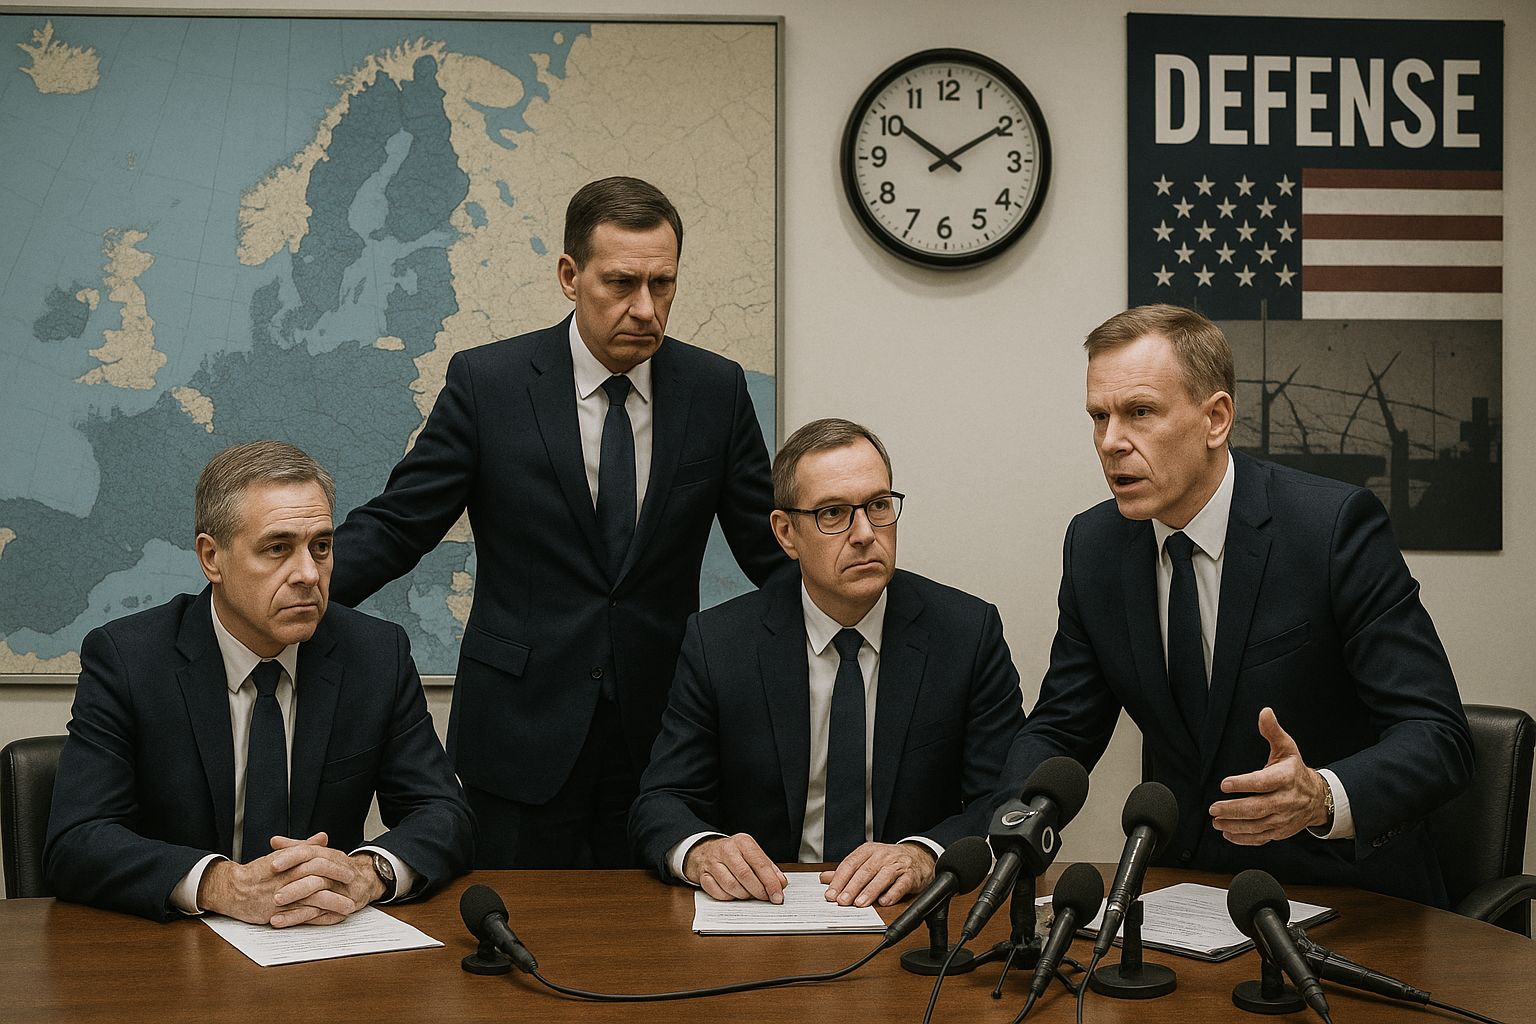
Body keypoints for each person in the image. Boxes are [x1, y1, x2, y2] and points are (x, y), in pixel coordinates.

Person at [329, 176, 790, 870]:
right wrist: (288, 593)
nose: (646, 308)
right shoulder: (489, 384)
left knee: (655, 928)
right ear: (570, 276)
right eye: (621, 283)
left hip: (665, 739)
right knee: (514, 924)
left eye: (662, 284)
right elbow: (399, 525)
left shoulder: (715, 390)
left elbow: (771, 547)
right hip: (518, 733)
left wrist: (863, 623)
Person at [999, 304, 1473, 906]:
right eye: (1099, 416)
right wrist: (1011, 830)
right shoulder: (1095, 546)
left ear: (1215, 419)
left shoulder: (1330, 529)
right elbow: (1063, 726)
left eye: (1139, 412)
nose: (1111, 442)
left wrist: (1321, 796)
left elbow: (1438, 737)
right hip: (1182, 896)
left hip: (1346, 894)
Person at [44, 442, 474, 924]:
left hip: (326, 941)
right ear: (212, 558)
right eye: (277, 548)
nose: (308, 574)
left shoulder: (375, 655)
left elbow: (445, 814)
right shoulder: (129, 660)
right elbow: (76, 841)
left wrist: (368, 872)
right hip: (178, 948)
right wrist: (221, 885)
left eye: (321, 546)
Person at [630, 418, 1025, 908]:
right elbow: (662, 801)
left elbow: (1007, 800)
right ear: (786, 533)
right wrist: (701, 850)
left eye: (878, 506)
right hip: (768, 910)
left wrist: (925, 854)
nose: (865, 533)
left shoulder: (966, 634)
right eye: (833, 513)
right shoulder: (720, 643)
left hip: (910, 912)